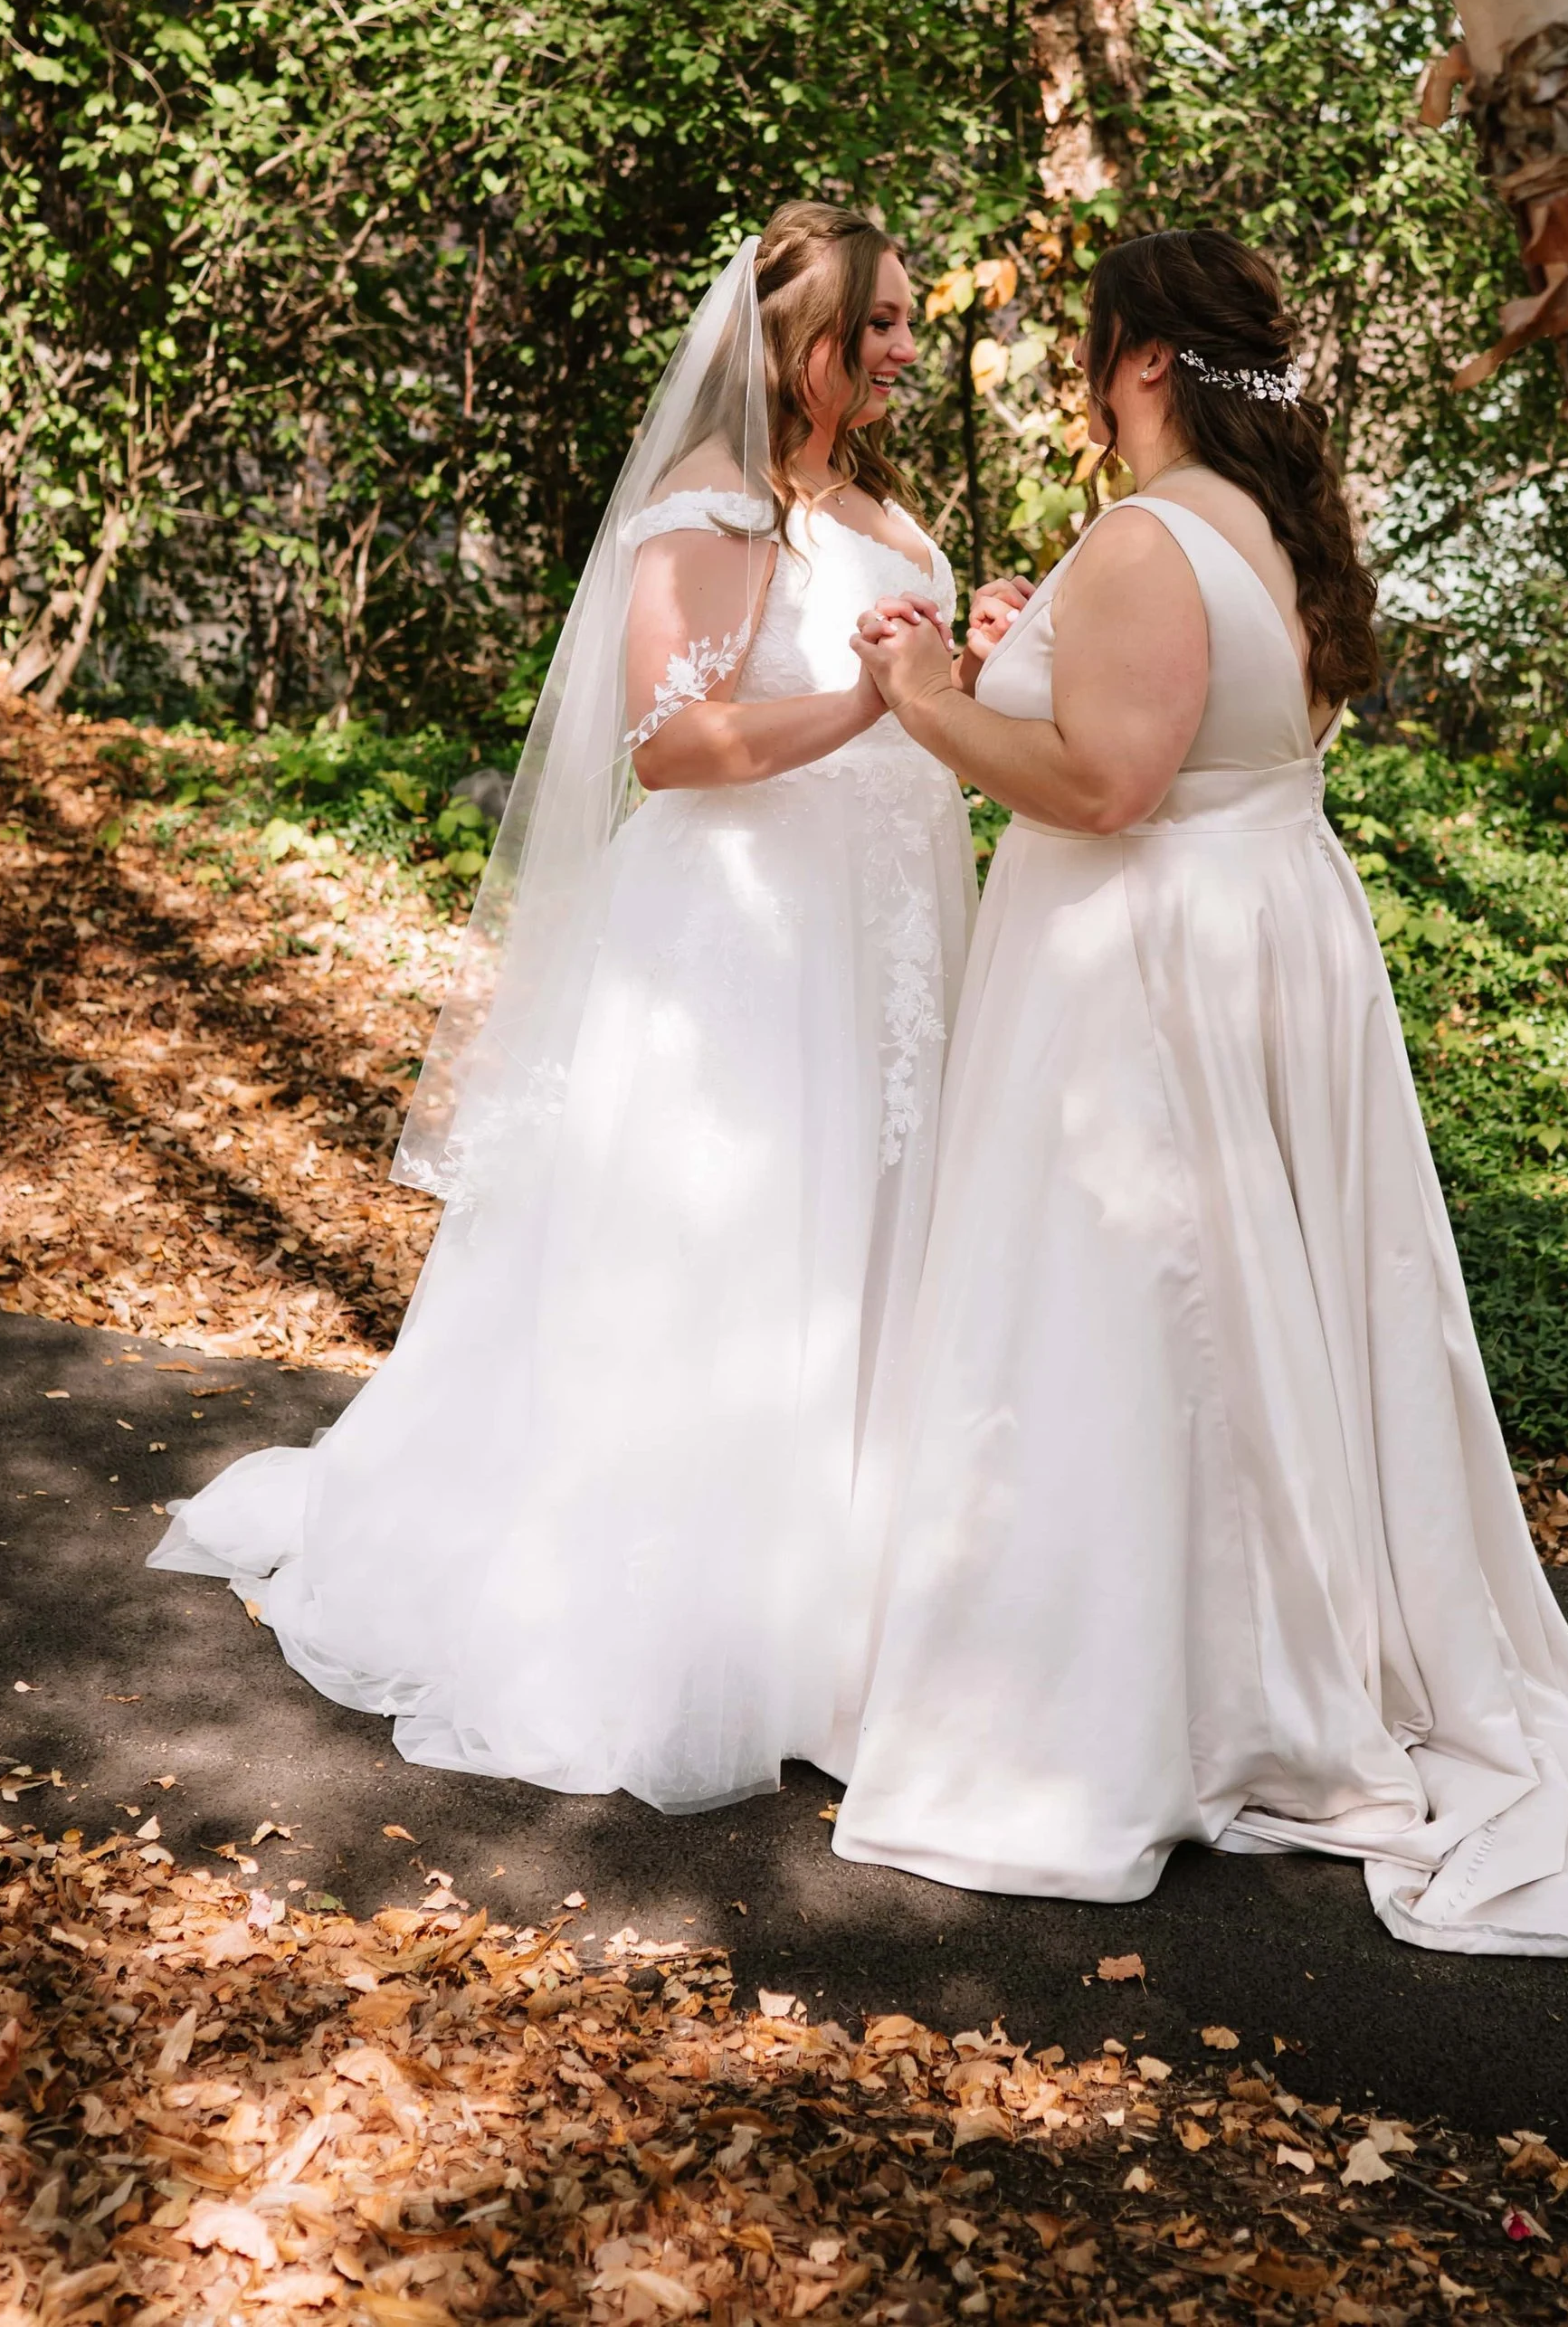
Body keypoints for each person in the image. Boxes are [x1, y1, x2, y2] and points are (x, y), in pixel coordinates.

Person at [830, 226, 1568, 1956]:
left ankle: (1122, 1692)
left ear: (1141, 358)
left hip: (1139, 975)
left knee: (1131, 1316)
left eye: (1090, 345)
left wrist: (918, 694)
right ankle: (1269, 1632)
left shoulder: (1142, 532)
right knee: (1258, 1310)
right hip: (1267, 940)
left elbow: (1111, 785)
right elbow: (1192, 723)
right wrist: (1019, 655)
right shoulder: (1269, 528)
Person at [152, 204, 992, 1809]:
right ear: (792, 339)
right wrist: (878, 697)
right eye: (872, 324)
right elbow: (673, 746)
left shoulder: (880, 504)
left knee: (869, 1243)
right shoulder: (713, 502)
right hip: (748, 941)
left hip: (881, 933)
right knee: (733, 1246)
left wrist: (973, 663)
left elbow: (912, 700)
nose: (900, 347)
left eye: (902, 321)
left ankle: (836, 1619)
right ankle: (679, 1626)